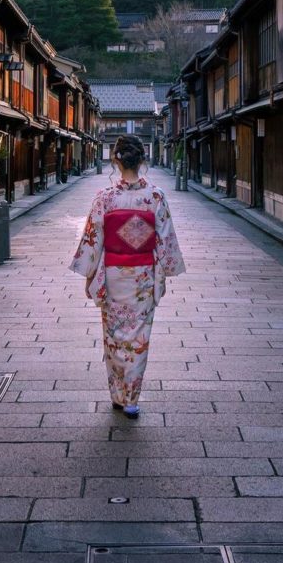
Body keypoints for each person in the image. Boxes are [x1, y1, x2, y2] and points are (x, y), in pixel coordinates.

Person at [70, 133, 185, 418]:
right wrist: (164, 271)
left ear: (116, 161)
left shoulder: (105, 198)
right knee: (138, 338)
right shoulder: (155, 196)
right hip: (143, 278)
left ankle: (117, 396)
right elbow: (165, 240)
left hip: (112, 276)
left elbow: (93, 240)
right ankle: (132, 399)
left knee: (113, 337)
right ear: (142, 159)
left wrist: (90, 276)